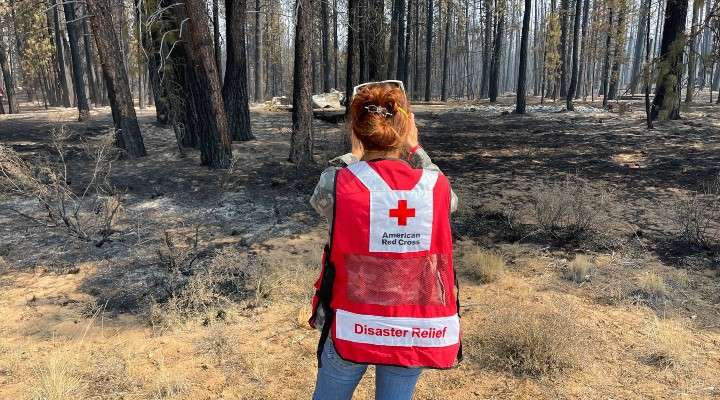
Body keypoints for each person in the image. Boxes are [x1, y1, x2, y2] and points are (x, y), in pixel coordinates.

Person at [308, 81, 461, 400]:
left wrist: (356, 153)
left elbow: (323, 196)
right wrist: (417, 150)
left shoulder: (338, 183)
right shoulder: (436, 188)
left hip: (351, 324)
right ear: (405, 129)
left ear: (357, 130)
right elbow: (449, 197)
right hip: (412, 327)